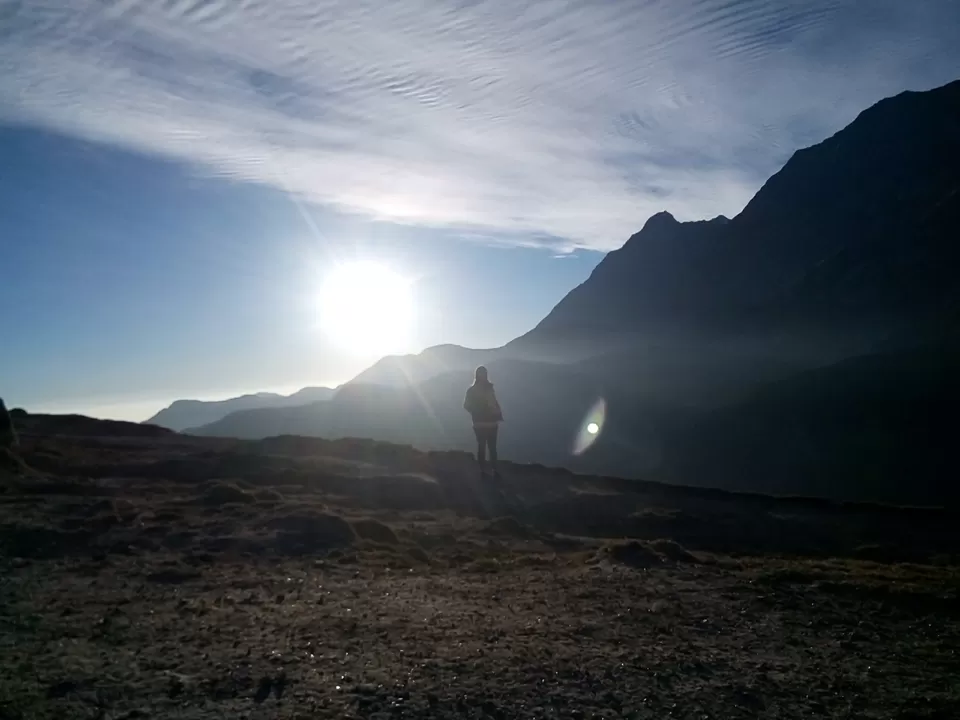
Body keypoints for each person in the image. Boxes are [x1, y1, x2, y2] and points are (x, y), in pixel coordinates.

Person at [463, 366, 503, 476]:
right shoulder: (489, 389)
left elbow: (466, 406)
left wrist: (476, 412)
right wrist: (498, 414)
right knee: (492, 447)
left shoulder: (471, 390)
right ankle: (495, 470)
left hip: (478, 423)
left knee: (481, 446)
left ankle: (483, 470)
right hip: (491, 422)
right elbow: (494, 403)